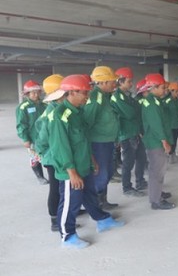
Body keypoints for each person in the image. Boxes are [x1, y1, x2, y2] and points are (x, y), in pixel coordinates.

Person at [49, 74, 125, 248]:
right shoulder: (60, 116)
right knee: (70, 202)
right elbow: (60, 147)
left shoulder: (78, 112)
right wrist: (71, 172)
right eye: (84, 92)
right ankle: (67, 236)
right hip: (71, 170)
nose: (87, 96)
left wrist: (92, 160)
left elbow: (83, 140)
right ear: (72, 92)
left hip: (84, 164)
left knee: (90, 195)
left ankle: (102, 220)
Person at [83, 66, 120, 209]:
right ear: (103, 82)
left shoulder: (105, 96)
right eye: (112, 81)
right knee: (101, 174)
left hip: (107, 141)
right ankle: (96, 205)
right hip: (98, 143)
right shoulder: (96, 97)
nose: (114, 83)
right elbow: (88, 121)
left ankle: (102, 201)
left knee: (108, 172)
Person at [34, 74, 65, 231]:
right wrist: (50, 154)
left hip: (56, 155)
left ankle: (64, 210)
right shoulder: (51, 114)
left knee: (61, 187)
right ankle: (54, 219)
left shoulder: (57, 109)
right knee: (55, 188)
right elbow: (41, 141)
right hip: (52, 158)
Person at [140, 73, 175, 210]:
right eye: (162, 87)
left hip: (156, 141)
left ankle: (157, 193)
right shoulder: (152, 104)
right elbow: (156, 125)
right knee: (157, 171)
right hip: (156, 143)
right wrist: (164, 141)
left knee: (158, 170)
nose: (164, 90)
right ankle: (156, 201)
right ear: (153, 87)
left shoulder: (155, 101)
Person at [111, 67, 146, 198]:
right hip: (126, 134)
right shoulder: (116, 97)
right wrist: (135, 110)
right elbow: (131, 113)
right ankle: (127, 187)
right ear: (120, 81)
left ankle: (140, 182)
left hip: (135, 132)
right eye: (129, 81)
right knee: (128, 163)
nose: (131, 84)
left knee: (141, 159)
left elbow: (137, 109)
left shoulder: (128, 96)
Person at [16, 79, 48, 184]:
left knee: (47, 155)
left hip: (44, 136)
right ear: (27, 94)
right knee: (34, 157)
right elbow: (21, 124)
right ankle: (40, 177)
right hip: (32, 137)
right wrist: (25, 139)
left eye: (37, 92)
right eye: (32, 92)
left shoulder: (44, 105)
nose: (35, 94)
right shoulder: (23, 107)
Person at [164, 82, 178, 163]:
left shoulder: (177, 101)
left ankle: (173, 154)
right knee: (170, 141)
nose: (177, 93)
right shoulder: (167, 101)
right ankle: (169, 156)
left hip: (177, 124)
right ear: (171, 91)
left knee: (175, 140)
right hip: (170, 125)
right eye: (176, 91)